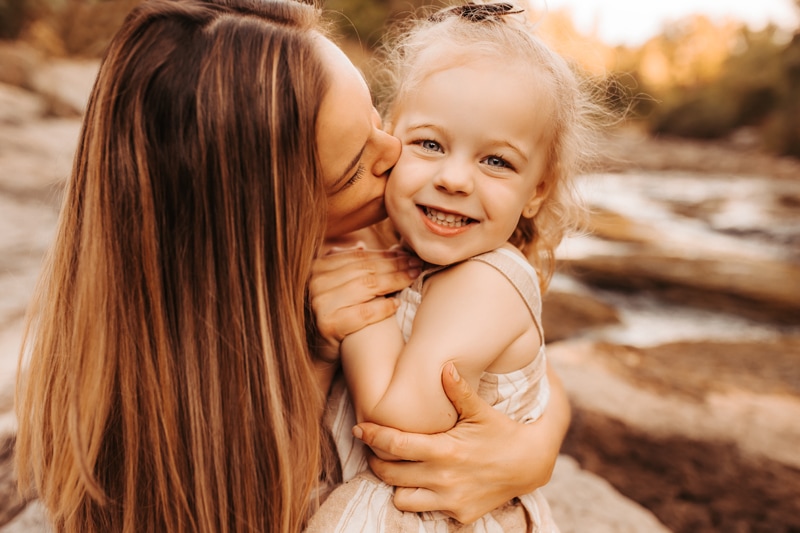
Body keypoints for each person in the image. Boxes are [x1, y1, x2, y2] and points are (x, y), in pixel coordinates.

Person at [14, 0, 570, 531]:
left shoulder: (405, 239)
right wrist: (321, 352)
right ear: (262, 224)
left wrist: (533, 447)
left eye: (380, 122)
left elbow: (516, 359)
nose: (396, 156)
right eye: (356, 168)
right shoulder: (174, 391)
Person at [306, 1, 598, 530]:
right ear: (392, 135)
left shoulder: (486, 279)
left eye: (496, 160)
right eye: (430, 143)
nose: (455, 179)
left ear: (537, 191)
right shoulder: (396, 245)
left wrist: (359, 310)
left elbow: (399, 426)